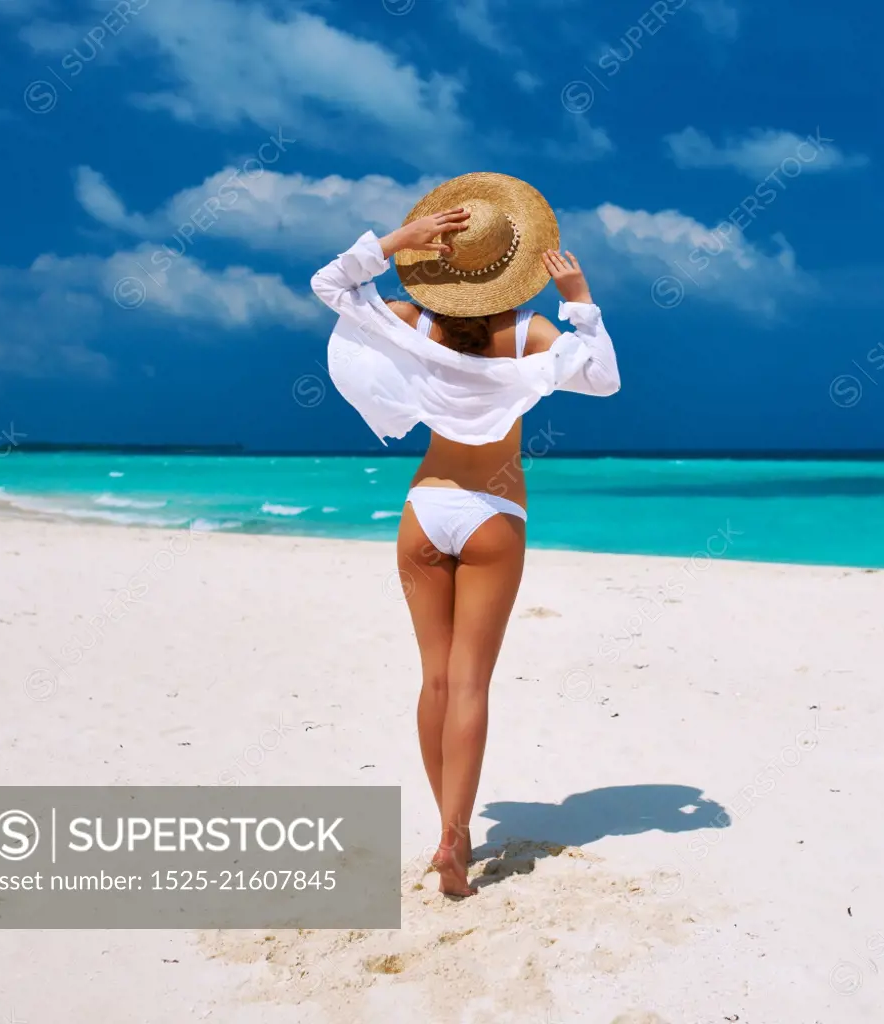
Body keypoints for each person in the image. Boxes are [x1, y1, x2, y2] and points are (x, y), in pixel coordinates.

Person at [310, 173, 620, 896]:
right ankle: (454, 837)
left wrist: (394, 243)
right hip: (493, 512)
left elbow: (329, 284)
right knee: (473, 683)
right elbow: (602, 379)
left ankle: (450, 833)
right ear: (512, 266)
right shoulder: (528, 334)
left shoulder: (407, 321)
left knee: (436, 680)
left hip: (425, 507)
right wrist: (580, 302)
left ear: (439, 265)